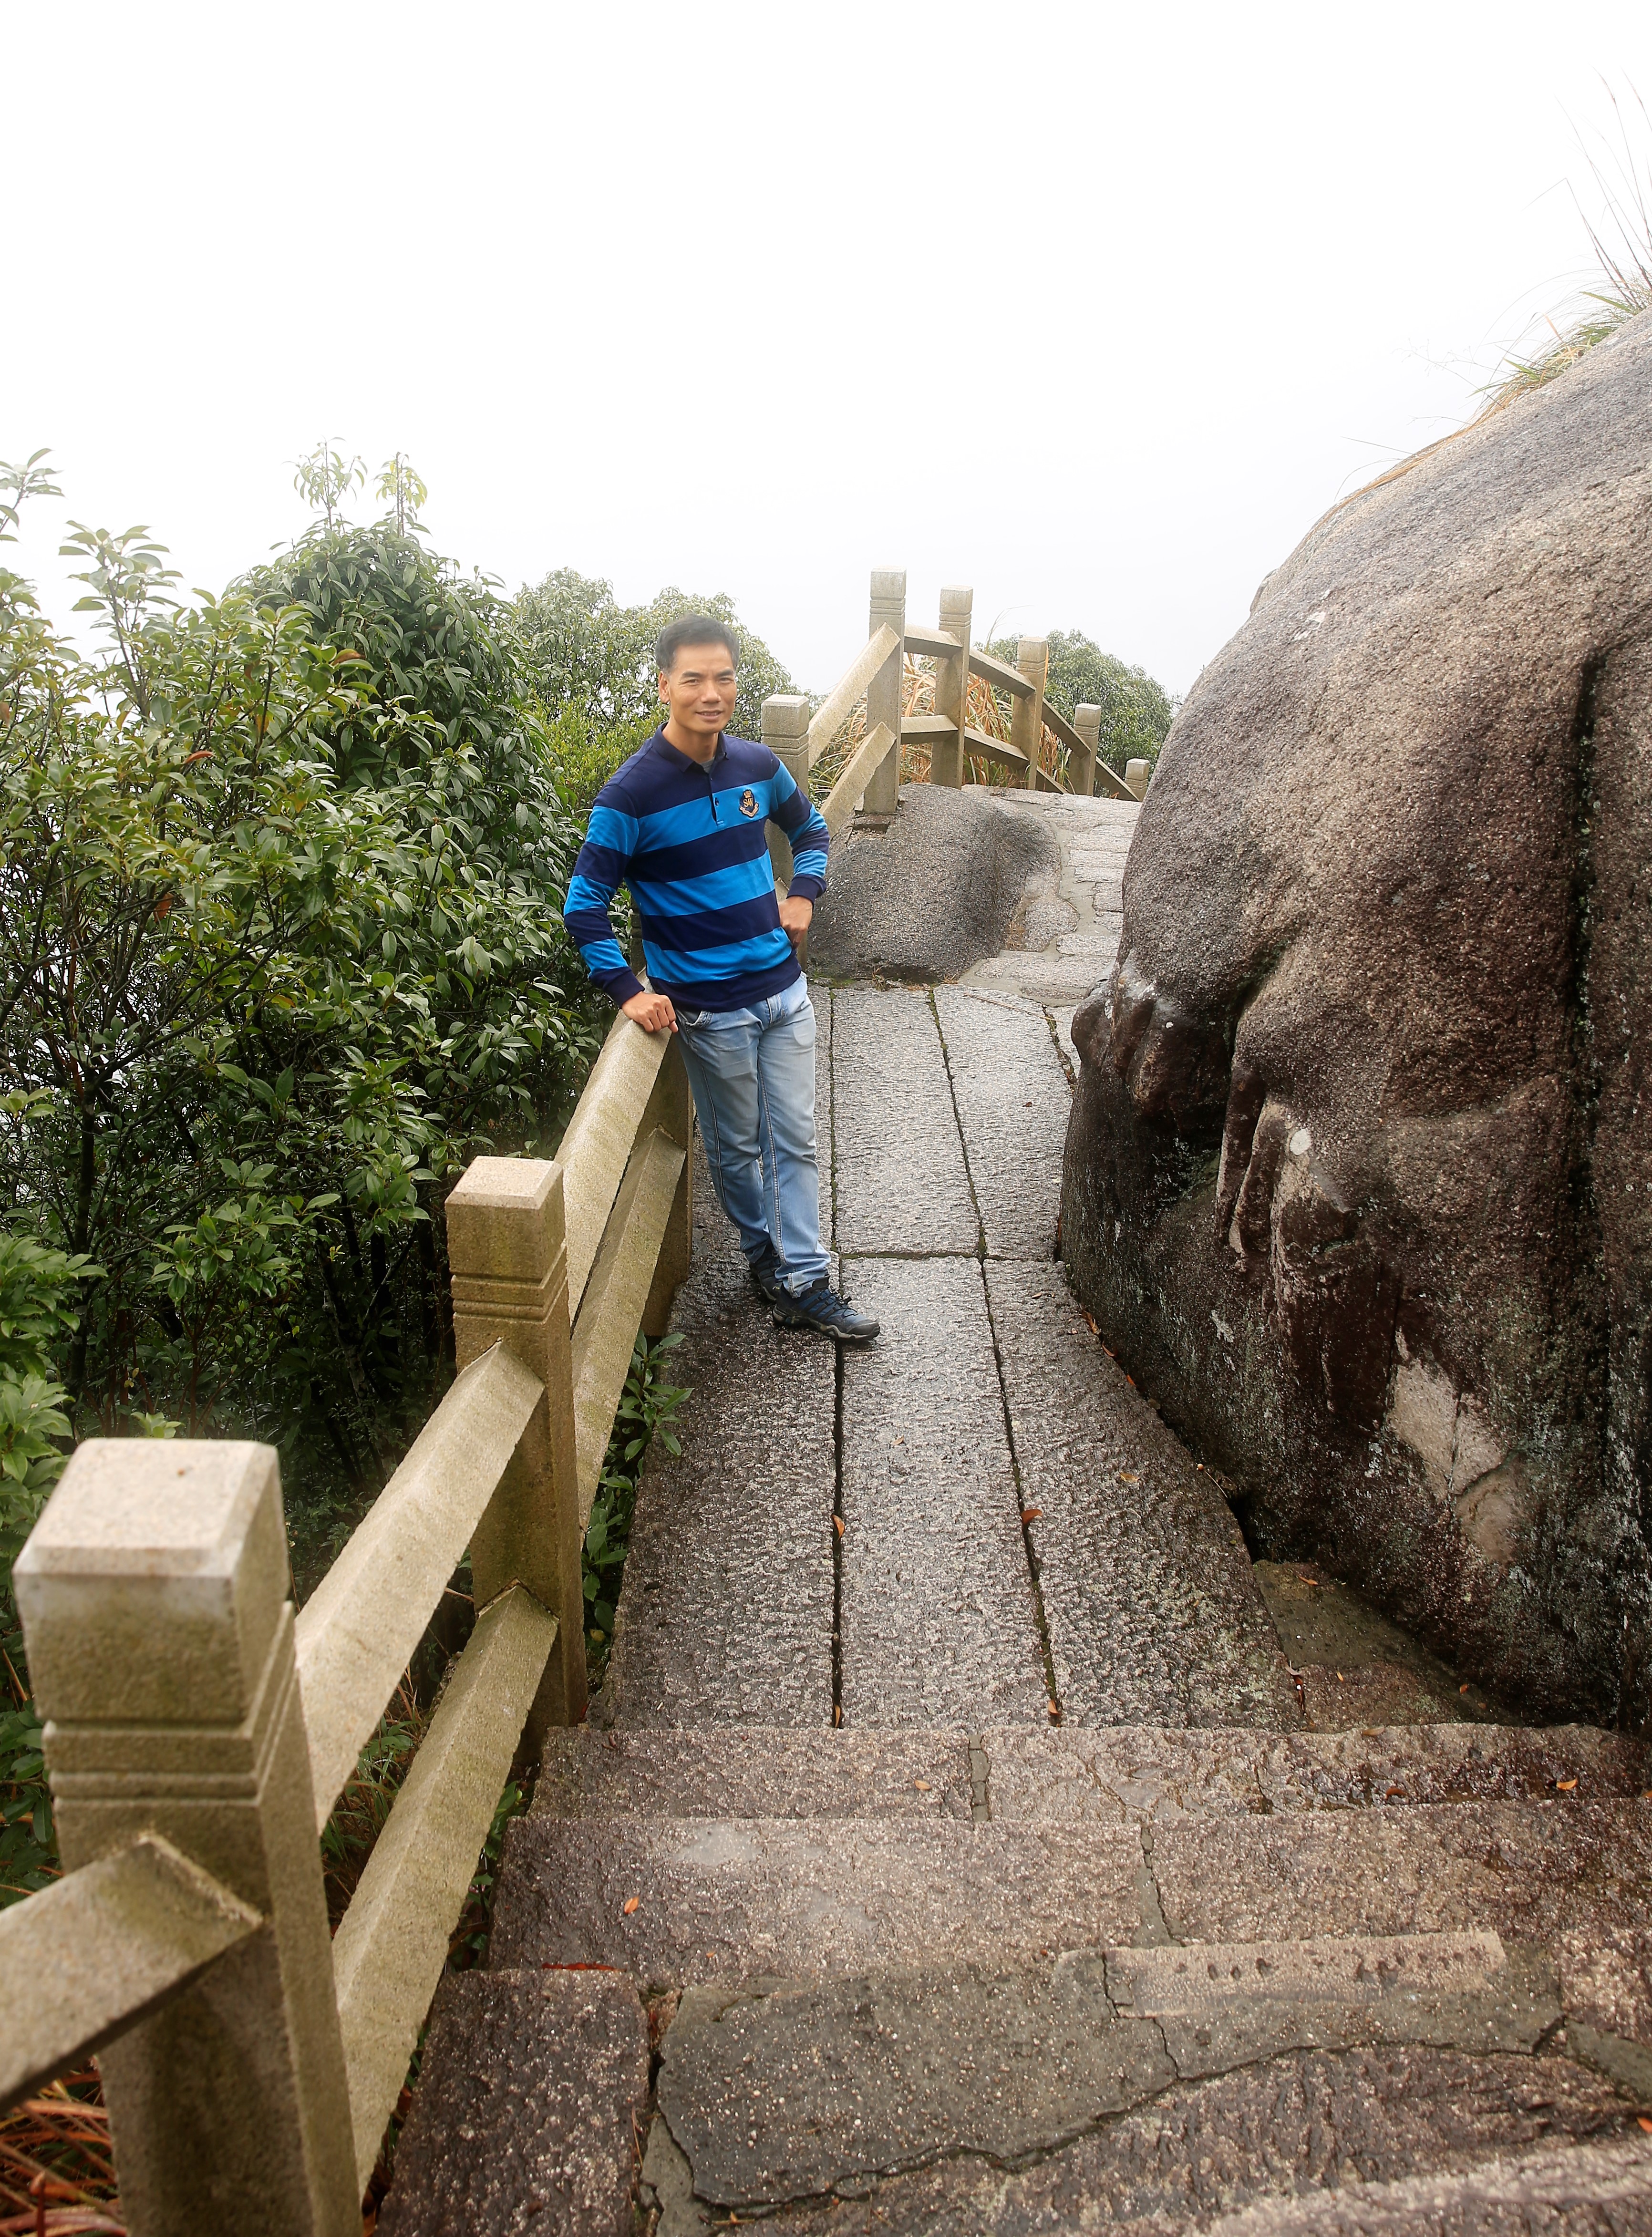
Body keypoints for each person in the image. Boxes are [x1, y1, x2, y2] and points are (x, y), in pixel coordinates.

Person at [563, 615, 879, 1342]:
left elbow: (813, 832)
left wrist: (803, 894)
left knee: (794, 1137)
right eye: (695, 679)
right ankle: (763, 1256)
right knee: (737, 1148)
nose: (713, 693)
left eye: (725, 677)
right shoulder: (630, 796)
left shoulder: (757, 767)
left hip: (782, 989)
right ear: (666, 684)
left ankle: (805, 1277)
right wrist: (629, 993)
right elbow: (583, 909)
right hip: (710, 1010)